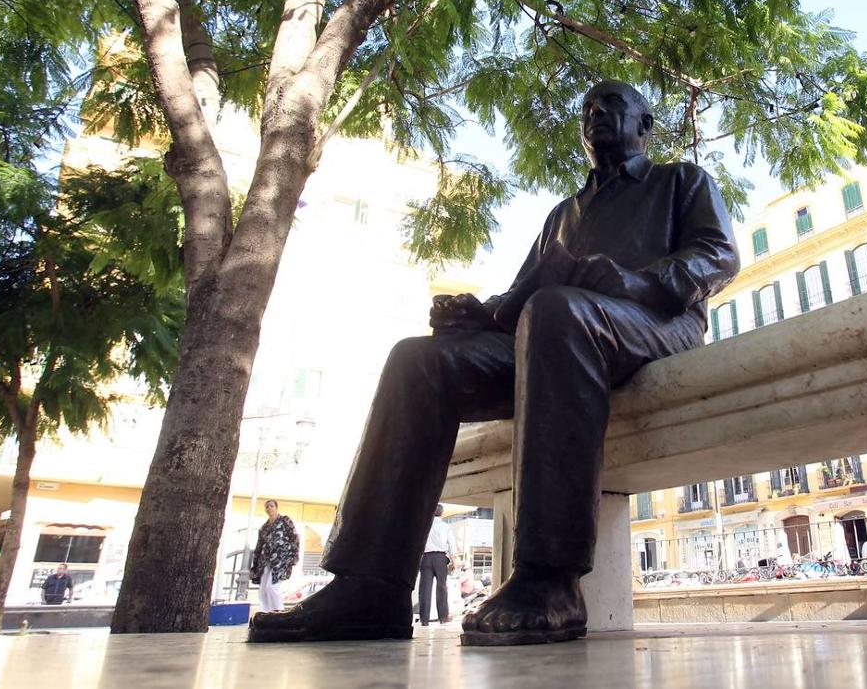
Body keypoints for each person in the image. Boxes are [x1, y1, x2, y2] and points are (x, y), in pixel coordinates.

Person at [248, 80, 739, 645]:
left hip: (655, 324)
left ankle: (550, 579)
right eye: (588, 109)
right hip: (557, 333)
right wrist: (477, 314)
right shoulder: (564, 214)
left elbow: (718, 257)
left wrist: (632, 280)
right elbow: (522, 298)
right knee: (418, 361)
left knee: (558, 312)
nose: (597, 115)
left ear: (645, 125)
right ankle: (370, 587)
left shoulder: (681, 182)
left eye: (612, 107)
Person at [250, 499, 299, 614]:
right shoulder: (263, 528)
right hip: (265, 560)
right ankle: (266, 613)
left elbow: (294, 538)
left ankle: (278, 612)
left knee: (272, 587)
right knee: (263, 589)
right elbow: (259, 547)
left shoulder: (285, 520)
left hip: (280, 559)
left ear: (276, 508)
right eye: (267, 507)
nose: (269, 508)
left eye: (271, 506)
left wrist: (294, 556)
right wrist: (254, 566)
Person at [418, 505, 454, 625]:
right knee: (442, 587)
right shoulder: (445, 527)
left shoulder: (424, 526)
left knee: (425, 589)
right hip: (440, 557)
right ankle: (443, 617)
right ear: (442, 513)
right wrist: (453, 559)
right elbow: (452, 544)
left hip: (426, 557)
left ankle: (424, 619)